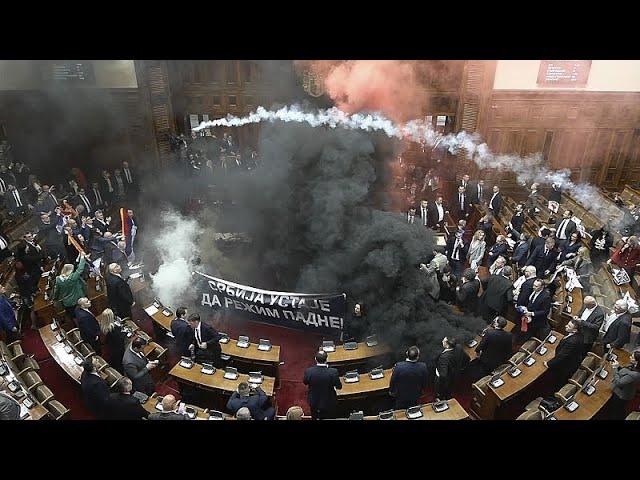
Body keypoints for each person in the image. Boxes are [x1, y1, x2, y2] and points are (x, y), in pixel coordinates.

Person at [469, 316, 513, 382]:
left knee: (482, 371)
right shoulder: (509, 335)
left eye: (495, 320)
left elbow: (481, 346)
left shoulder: (490, 333)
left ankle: (480, 381)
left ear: (496, 324)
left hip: (486, 360)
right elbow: (509, 349)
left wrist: (477, 352)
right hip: (499, 359)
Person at [544, 320, 585, 387]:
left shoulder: (572, 342)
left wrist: (548, 364)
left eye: (569, 326)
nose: (566, 326)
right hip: (573, 360)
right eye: (567, 324)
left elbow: (562, 356)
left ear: (575, 330)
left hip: (565, 366)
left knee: (556, 382)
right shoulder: (580, 335)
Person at [302, 350, 342, 419]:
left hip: (314, 401)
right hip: (329, 401)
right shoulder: (333, 372)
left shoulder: (309, 371)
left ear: (315, 359)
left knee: (314, 417)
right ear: (326, 359)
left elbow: (305, 382)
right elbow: (339, 386)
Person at [53, 253, 88, 321]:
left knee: (74, 317)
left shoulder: (58, 279)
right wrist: (83, 258)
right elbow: (80, 269)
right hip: (78, 300)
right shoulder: (73, 277)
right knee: (83, 315)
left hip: (68, 303)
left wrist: (55, 299)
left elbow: (56, 291)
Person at [607, 350, 640, 419]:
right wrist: (618, 366)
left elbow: (619, 383)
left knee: (617, 410)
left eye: (632, 357)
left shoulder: (636, 374)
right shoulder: (634, 365)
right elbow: (625, 371)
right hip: (624, 389)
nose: (630, 357)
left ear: (637, 361)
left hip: (622, 394)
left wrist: (615, 369)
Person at [98, 308, 126, 374]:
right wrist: (124, 332)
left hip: (110, 346)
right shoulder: (113, 328)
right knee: (119, 362)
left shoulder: (103, 325)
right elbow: (120, 338)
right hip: (118, 348)